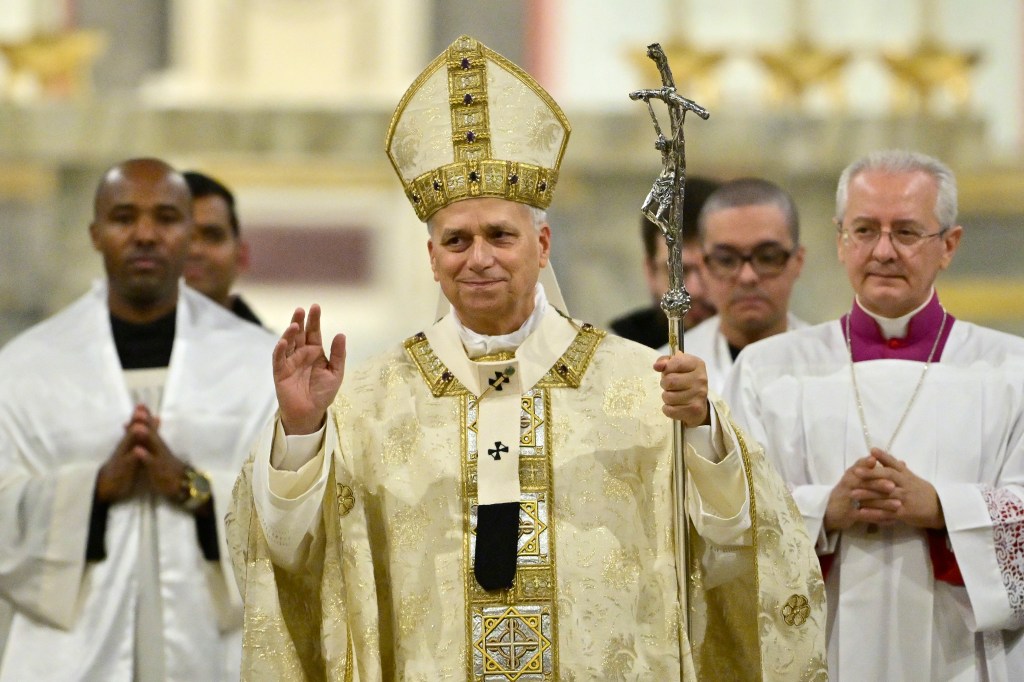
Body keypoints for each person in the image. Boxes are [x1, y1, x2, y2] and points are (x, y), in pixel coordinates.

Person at [226, 35, 825, 680]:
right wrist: (301, 433)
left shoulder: (641, 384)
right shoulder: (368, 403)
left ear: (541, 245)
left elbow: (736, 547)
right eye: (455, 239)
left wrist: (704, 431)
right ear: (432, 259)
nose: (477, 257)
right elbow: (288, 553)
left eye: (499, 236)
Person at [723, 149, 1024, 680]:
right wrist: (825, 511)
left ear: (948, 245)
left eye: (907, 232)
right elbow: (727, 514)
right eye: (864, 230)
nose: (883, 250)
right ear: (841, 241)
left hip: (958, 656)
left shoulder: (1009, 370)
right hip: (820, 650)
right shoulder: (768, 371)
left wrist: (940, 509)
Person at [0, 158, 278, 681]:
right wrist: (94, 490)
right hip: (69, 654)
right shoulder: (26, 369)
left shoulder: (257, 366)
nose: (146, 234)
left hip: (216, 650)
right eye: (125, 218)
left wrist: (194, 489)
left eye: (167, 219)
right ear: (95, 234)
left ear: (189, 232)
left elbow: (303, 515)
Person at [669, 178, 806, 393]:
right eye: (726, 260)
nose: (747, 276)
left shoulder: (839, 368)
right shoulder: (669, 375)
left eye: (768, 257)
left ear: (798, 261)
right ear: (703, 267)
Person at [609, 177, 719, 348]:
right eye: (677, 273)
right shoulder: (620, 353)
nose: (695, 290)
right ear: (650, 272)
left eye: (711, 267)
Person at [182, 170, 263, 325]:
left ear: (241, 256)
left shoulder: (270, 348)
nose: (195, 250)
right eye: (182, 237)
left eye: (213, 236)